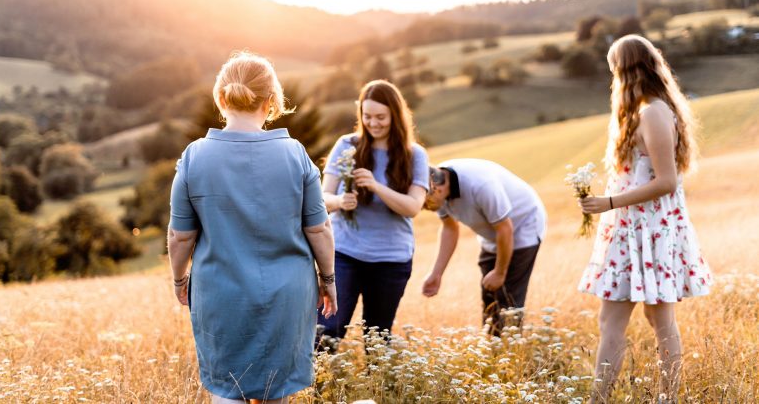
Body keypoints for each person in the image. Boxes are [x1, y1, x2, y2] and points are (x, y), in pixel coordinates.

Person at [168, 52, 337, 404]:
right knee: (276, 391)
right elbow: (319, 230)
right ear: (272, 101)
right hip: (287, 297)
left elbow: (180, 235)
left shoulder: (194, 156)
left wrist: (179, 280)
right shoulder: (295, 153)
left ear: (221, 98)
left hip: (221, 297)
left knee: (229, 389)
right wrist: (329, 280)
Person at [577, 35, 712, 402]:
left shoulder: (653, 112)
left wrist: (609, 202)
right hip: (631, 229)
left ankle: (655, 397)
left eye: (613, 70)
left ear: (626, 70)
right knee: (625, 321)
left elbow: (666, 182)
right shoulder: (645, 110)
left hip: (649, 230)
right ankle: (605, 398)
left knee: (656, 320)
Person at [316, 80, 429, 346]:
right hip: (344, 254)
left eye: (381, 117)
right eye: (367, 116)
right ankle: (319, 387)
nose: (373, 123)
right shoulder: (346, 145)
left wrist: (376, 186)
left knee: (376, 339)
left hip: (391, 259)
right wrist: (340, 201)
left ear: (395, 115)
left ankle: (375, 388)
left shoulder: (415, 155)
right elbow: (321, 198)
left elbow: (413, 207)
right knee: (326, 332)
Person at [422, 159, 547, 335]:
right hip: (491, 234)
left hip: (522, 226)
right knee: (489, 297)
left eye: (424, 203)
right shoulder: (434, 187)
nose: (422, 207)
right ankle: (492, 350)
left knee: (507, 298)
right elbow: (450, 228)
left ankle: (509, 352)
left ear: (437, 188)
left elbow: (505, 228)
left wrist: (500, 272)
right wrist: (436, 273)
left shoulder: (480, 185)